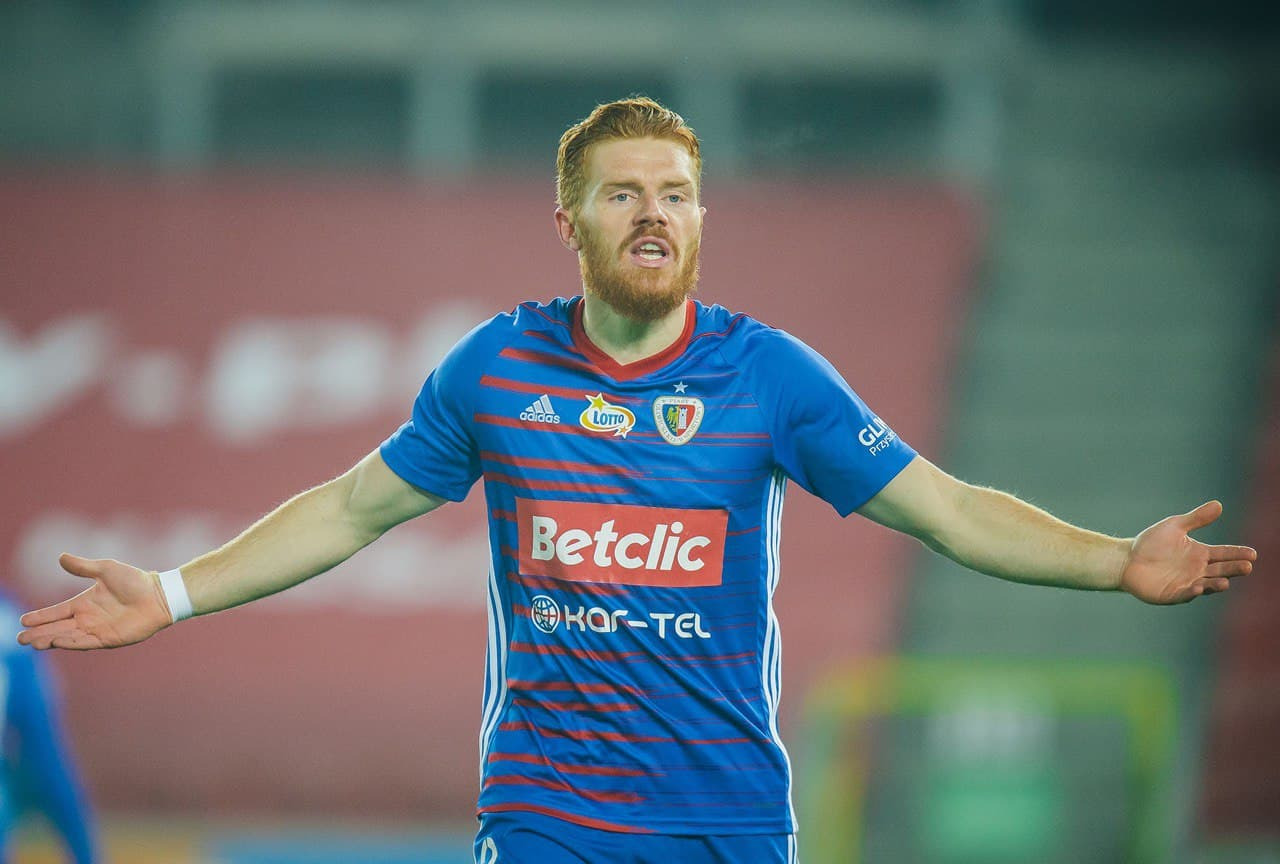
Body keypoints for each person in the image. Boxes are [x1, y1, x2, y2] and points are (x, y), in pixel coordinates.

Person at [16, 97, 1257, 864]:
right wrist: (171, 594)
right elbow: (351, 507)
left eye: (675, 195)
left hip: (727, 812)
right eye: (623, 195)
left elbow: (944, 508)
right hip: (548, 809)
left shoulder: (770, 378)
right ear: (571, 222)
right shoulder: (495, 368)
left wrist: (1112, 560)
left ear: (701, 220)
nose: (653, 214)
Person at [0, 589, 98, 864]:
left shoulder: (9, 619)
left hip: (23, 737)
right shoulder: (10, 617)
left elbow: (41, 740)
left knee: (52, 784)